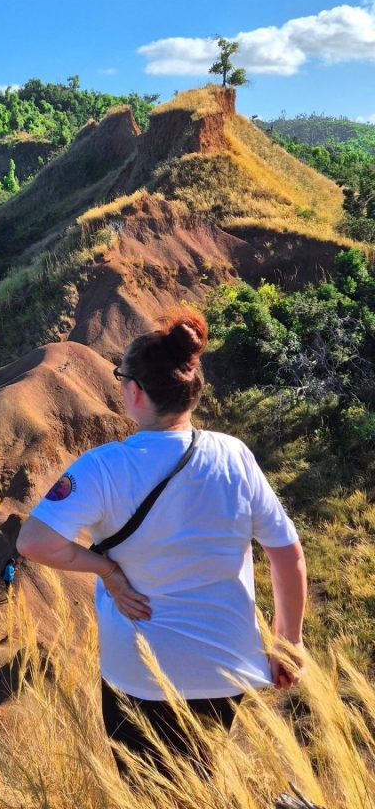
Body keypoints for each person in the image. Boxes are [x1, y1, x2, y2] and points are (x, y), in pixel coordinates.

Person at [16, 309, 306, 776]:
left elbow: (33, 542)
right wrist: (287, 643)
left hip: (141, 674)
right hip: (225, 670)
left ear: (134, 392)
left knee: (147, 791)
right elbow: (287, 555)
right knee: (202, 782)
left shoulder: (102, 467)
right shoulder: (235, 455)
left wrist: (108, 571)